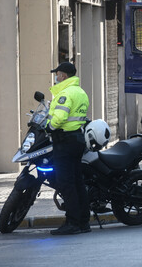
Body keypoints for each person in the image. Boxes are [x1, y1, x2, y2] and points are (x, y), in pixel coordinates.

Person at [46, 62, 90, 235]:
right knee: (78, 183)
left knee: (66, 183)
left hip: (64, 141)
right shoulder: (80, 92)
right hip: (77, 140)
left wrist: (50, 126)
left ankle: (72, 223)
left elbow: (59, 118)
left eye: (57, 74)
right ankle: (84, 222)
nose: (56, 78)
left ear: (63, 75)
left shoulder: (65, 93)